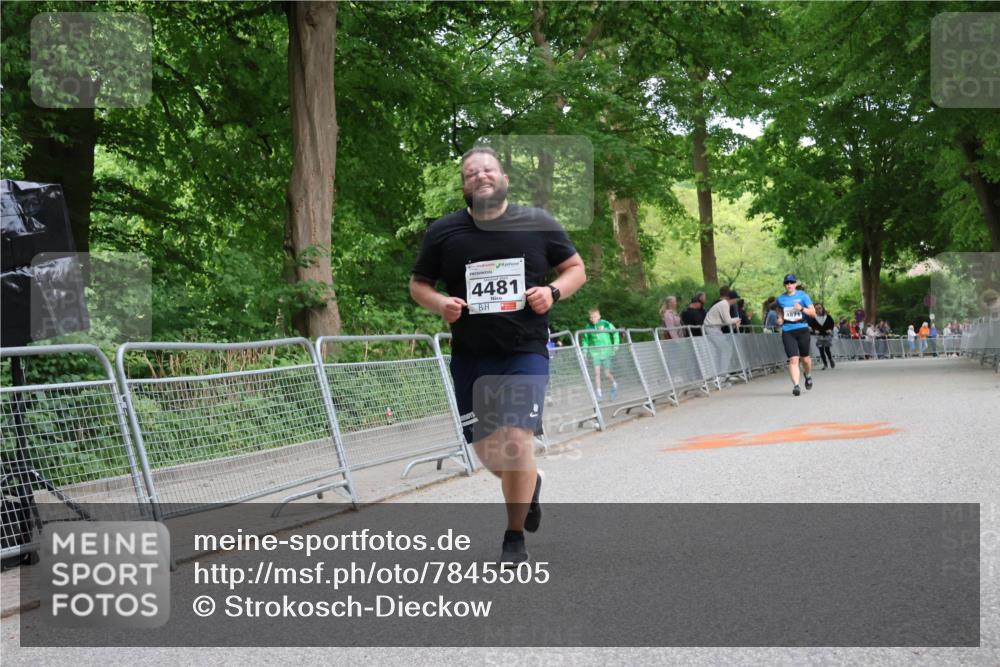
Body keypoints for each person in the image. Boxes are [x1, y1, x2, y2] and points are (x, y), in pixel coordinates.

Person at [409, 146, 586, 565]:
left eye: (488, 170)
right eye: (471, 173)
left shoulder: (538, 223)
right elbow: (419, 284)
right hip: (472, 354)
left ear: (504, 179)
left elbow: (576, 267)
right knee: (488, 451)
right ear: (464, 186)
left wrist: (553, 292)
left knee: (517, 438)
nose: (481, 176)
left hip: (525, 350)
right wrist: (440, 304)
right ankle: (530, 483)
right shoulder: (443, 232)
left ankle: (513, 540)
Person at [775, 274, 817, 396]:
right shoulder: (780, 299)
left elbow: (813, 313)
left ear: (795, 284)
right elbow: (778, 309)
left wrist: (802, 309)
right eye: (787, 283)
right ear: (784, 285)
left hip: (802, 329)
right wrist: (780, 318)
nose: (789, 285)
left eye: (791, 282)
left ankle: (808, 375)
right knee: (793, 359)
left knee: (805, 359)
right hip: (788, 330)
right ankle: (796, 385)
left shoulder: (803, 296)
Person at [580, 308, 619, 401]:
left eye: (595, 317)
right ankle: (599, 394)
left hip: (606, 352)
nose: (593, 319)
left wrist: (615, 345)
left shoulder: (605, 323)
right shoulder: (588, 327)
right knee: (597, 373)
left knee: (606, 373)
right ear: (590, 318)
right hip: (595, 353)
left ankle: (614, 385)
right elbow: (585, 340)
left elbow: (615, 333)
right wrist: (584, 352)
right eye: (591, 317)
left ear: (599, 316)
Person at [810, 303, 836, 369]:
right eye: (817, 309)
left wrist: (830, 329)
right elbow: (812, 327)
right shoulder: (814, 318)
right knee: (821, 350)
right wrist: (814, 330)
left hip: (827, 335)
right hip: (819, 336)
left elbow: (832, 324)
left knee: (827, 349)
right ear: (815, 310)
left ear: (822, 308)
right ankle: (825, 364)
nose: (819, 310)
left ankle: (830, 359)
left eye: (820, 308)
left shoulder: (828, 317)